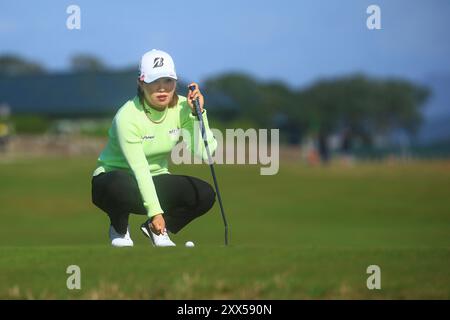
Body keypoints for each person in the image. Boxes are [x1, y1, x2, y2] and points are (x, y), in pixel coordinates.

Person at [91, 49, 217, 247]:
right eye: (154, 81)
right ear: (141, 83)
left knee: (204, 194)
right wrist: (156, 213)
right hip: (111, 181)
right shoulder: (127, 116)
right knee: (119, 184)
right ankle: (119, 226)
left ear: (175, 82)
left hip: (155, 179)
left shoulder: (185, 107)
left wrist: (198, 114)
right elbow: (139, 168)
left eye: (168, 81)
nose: (162, 88)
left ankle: (156, 230)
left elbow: (205, 152)